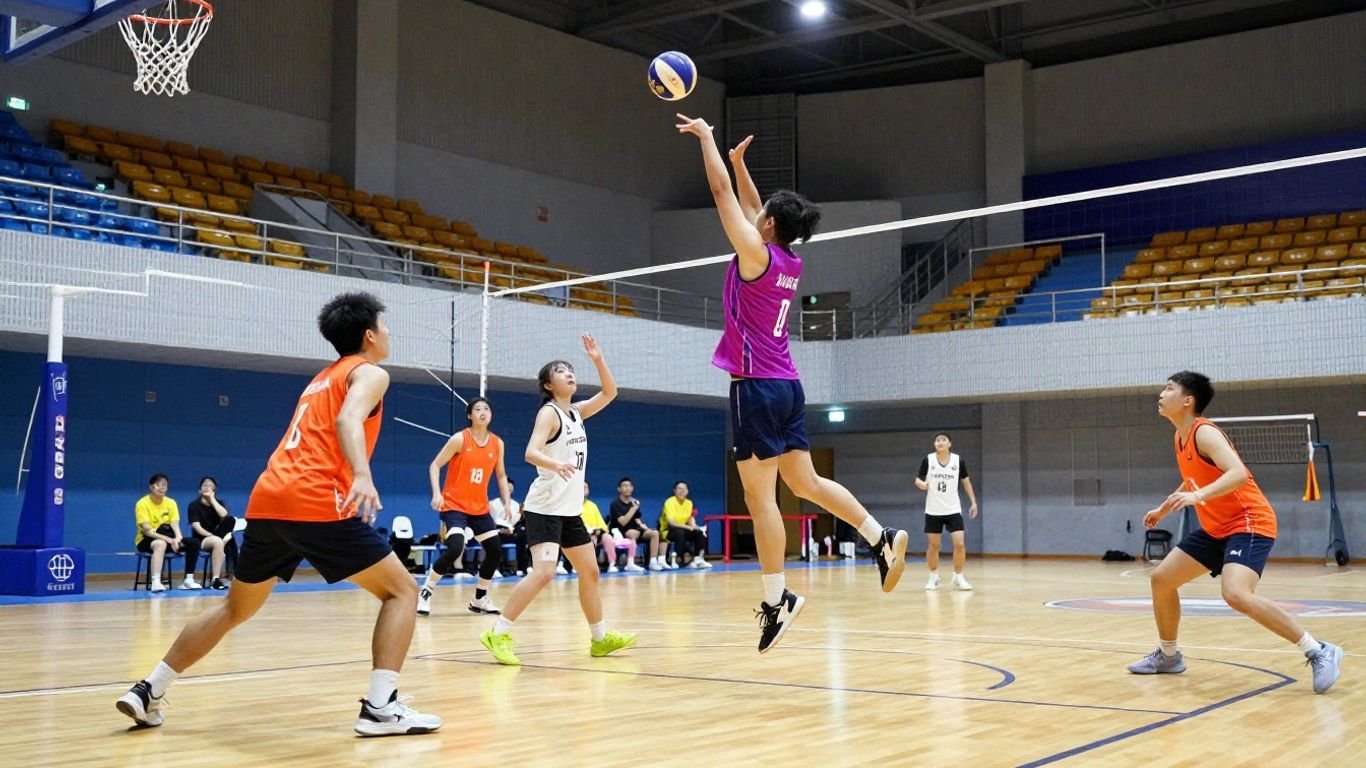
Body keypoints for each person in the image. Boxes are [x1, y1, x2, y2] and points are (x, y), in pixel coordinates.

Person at [116, 292, 442, 736]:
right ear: (369, 335)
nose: (390, 333)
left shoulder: (320, 379)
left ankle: (149, 688)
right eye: (386, 326)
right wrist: (362, 475)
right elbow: (349, 421)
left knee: (234, 607)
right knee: (403, 591)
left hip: (269, 499)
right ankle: (381, 708)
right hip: (314, 498)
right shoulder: (370, 373)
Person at [677, 115, 908, 654]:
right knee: (805, 485)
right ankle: (878, 537)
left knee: (763, 500)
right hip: (788, 385)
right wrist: (741, 165)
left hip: (755, 385)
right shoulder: (788, 260)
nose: (753, 215)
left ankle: (779, 597)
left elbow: (721, 197)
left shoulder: (755, 254)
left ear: (768, 226)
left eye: (761, 215)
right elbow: (756, 210)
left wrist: (711, 144)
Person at [1128, 371, 1342, 693]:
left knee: (1236, 594)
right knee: (1162, 579)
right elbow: (1195, 478)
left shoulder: (1205, 432)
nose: (1161, 393)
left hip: (1249, 522)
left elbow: (1237, 474)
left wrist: (1198, 497)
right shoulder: (1180, 437)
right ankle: (1169, 656)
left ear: (1188, 401)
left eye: (1169, 389)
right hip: (1216, 528)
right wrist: (1165, 507)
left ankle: (1318, 650)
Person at [479, 335, 636, 666]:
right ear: (549, 385)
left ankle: (600, 638)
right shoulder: (549, 414)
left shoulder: (576, 412)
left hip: (568, 510)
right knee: (544, 573)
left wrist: (598, 359)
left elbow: (610, 393)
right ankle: (498, 631)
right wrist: (555, 464)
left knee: (590, 571)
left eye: (570, 370)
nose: (569, 374)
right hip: (545, 507)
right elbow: (530, 452)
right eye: (561, 371)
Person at [418, 396, 512, 617]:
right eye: (477, 409)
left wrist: (507, 502)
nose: (483, 412)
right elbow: (435, 465)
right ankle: (426, 590)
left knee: (495, 549)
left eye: (486, 408)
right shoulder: (459, 439)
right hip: (454, 505)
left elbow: (501, 476)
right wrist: (436, 493)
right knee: (455, 547)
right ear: (470, 416)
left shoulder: (497, 443)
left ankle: (479, 598)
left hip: (479, 508)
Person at [915, 434, 978, 591]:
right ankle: (933, 576)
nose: (940, 442)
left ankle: (958, 577)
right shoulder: (928, 460)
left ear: (950, 443)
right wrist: (922, 484)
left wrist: (973, 502)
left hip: (953, 509)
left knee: (960, 543)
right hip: (933, 509)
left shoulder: (958, 461)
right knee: (933, 545)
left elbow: (966, 482)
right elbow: (918, 479)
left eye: (943, 440)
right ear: (934, 444)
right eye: (937, 440)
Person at [134, 474, 201, 592]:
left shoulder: (171, 503)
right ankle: (156, 581)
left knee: (194, 542)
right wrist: (168, 540)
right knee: (160, 543)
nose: (161, 487)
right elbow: (148, 531)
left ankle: (188, 580)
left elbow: (175, 525)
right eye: (158, 485)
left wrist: (178, 539)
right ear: (151, 487)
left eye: (164, 485)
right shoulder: (142, 503)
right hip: (146, 540)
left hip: (168, 538)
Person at [186, 476, 237, 590]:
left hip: (217, 538)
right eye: (204, 485)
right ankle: (217, 579)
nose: (207, 487)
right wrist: (213, 537)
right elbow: (197, 528)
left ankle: (216, 580)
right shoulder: (193, 505)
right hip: (201, 540)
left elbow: (224, 515)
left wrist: (212, 499)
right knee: (224, 541)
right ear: (200, 490)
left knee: (230, 520)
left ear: (214, 490)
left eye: (210, 485)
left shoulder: (218, 503)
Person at [610, 477, 666, 570]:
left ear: (632, 488)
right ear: (619, 489)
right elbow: (623, 522)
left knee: (654, 533)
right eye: (624, 486)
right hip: (620, 531)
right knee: (633, 533)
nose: (627, 488)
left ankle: (653, 562)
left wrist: (644, 527)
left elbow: (637, 519)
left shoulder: (634, 502)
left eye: (629, 486)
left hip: (635, 529)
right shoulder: (615, 504)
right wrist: (634, 508)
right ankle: (630, 563)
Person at [583, 481, 640, 573]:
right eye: (582, 487)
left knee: (608, 538)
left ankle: (612, 564)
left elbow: (602, 524)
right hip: (581, 533)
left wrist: (599, 530)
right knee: (589, 539)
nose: (584, 489)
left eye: (586, 487)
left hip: (596, 532)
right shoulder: (573, 506)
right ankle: (583, 565)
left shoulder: (593, 506)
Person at [659, 481, 711, 569]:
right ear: (674, 491)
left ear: (687, 491)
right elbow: (672, 524)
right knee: (680, 533)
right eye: (679, 488)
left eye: (684, 489)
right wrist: (687, 527)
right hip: (668, 531)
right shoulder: (669, 502)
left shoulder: (689, 503)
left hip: (683, 529)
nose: (682, 491)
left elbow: (690, 519)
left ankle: (698, 559)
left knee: (699, 533)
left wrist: (696, 527)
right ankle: (679, 559)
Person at [490, 478, 526, 576]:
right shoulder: (493, 503)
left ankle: (522, 568)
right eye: (506, 488)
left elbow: (516, 521)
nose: (508, 491)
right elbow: (490, 522)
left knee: (523, 535)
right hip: (498, 530)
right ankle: (495, 569)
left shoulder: (515, 505)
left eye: (510, 489)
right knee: (494, 538)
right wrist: (500, 530)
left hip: (511, 531)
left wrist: (512, 530)